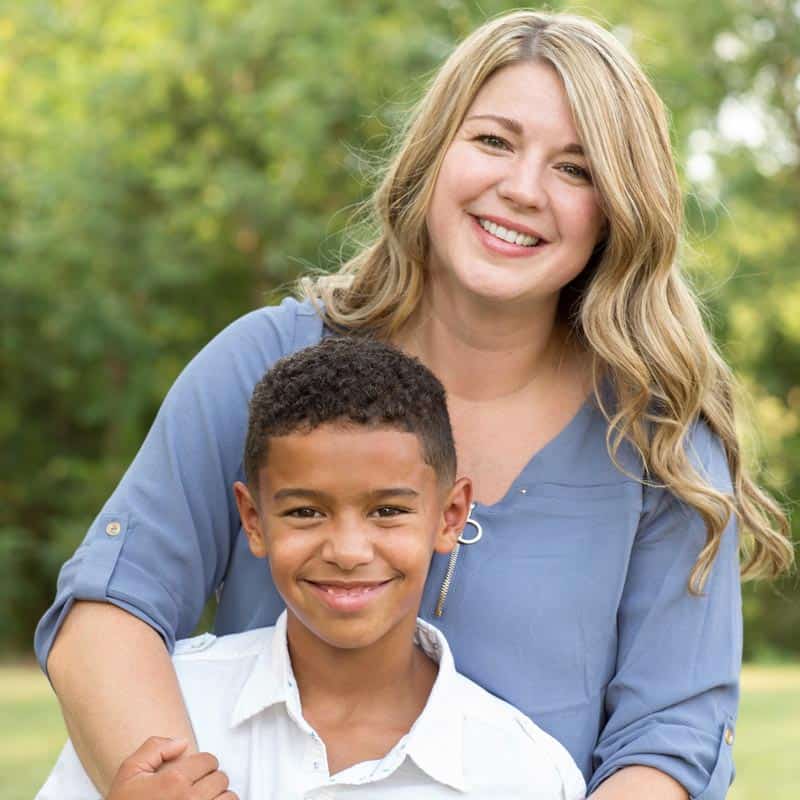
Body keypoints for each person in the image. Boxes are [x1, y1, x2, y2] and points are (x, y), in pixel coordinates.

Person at [36, 9, 793, 800]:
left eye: (576, 169)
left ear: (618, 209)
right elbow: (112, 606)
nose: (522, 189)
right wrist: (166, 785)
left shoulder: (661, 442)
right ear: (434, 154)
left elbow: (670, 739)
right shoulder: (268, 362)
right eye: (494, 141)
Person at [36, 337, 587, 800]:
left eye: (388, 511)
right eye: (305, 512)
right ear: (253, 520)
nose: (348, 551)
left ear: (450, 515)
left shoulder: (523, 771)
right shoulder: (163, 717)